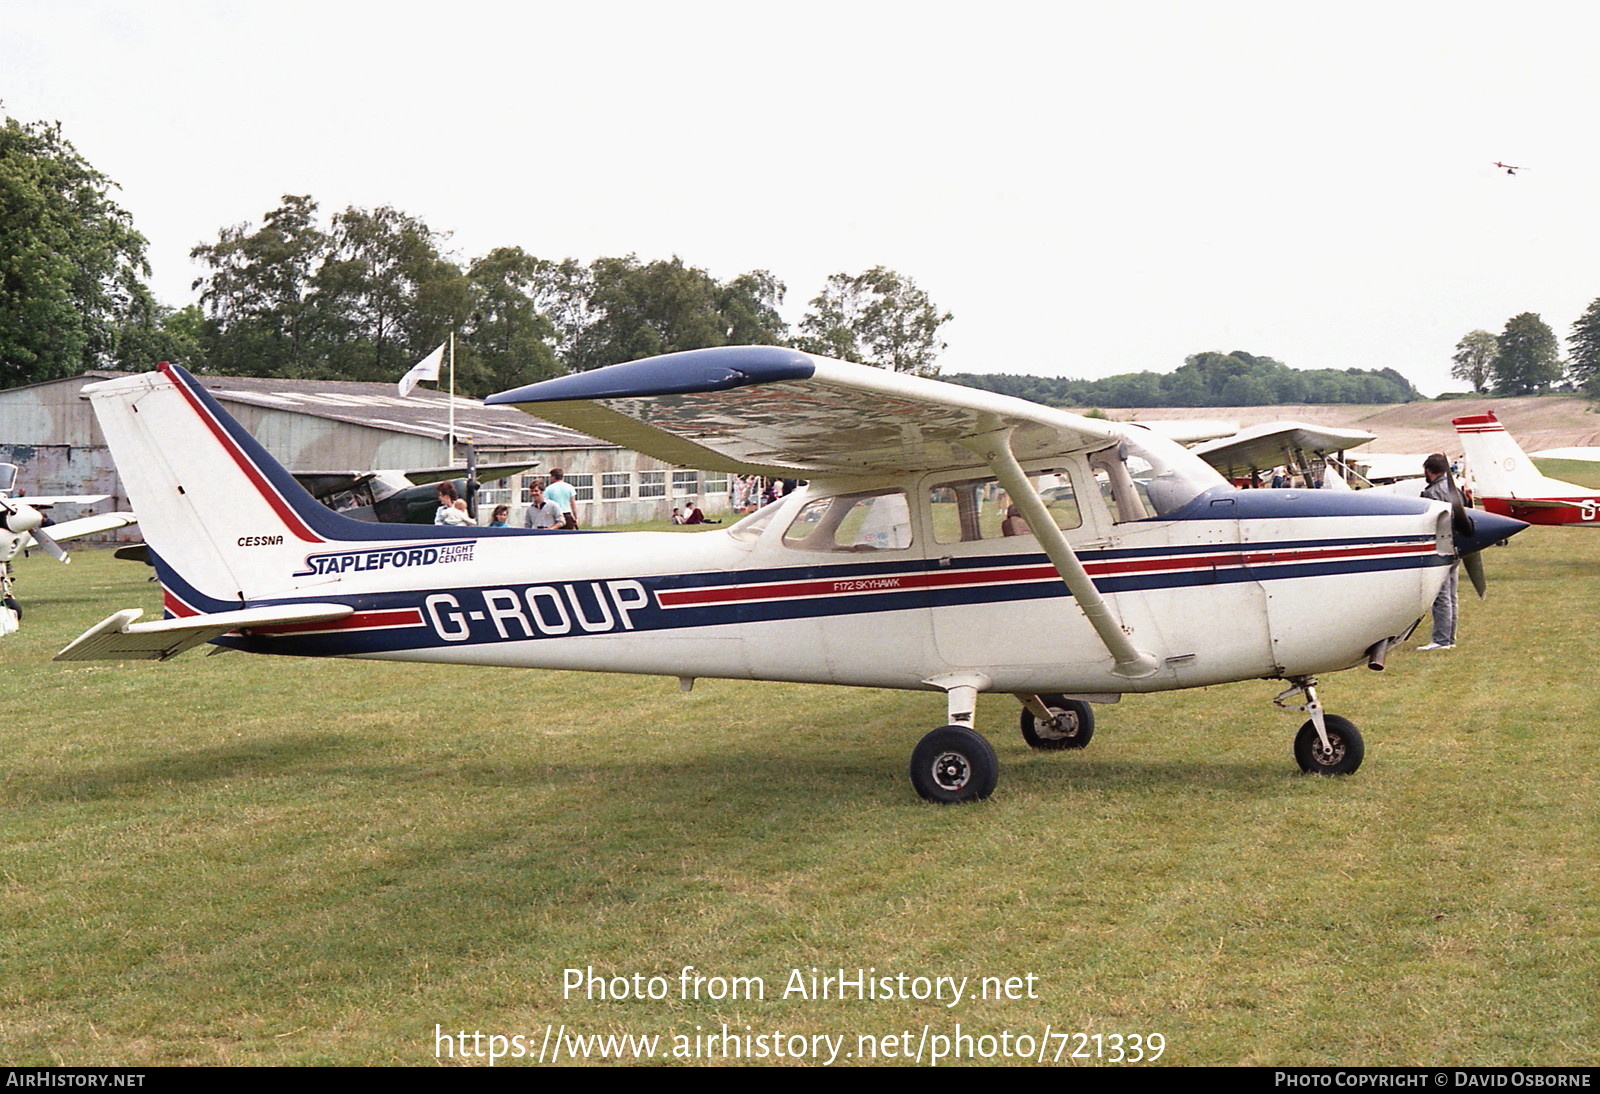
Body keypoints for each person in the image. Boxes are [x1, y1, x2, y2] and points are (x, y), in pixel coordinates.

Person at [1419, 453, 1462, 650]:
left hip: (1441, 546)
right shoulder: (1455, 490)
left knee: (1441, 594)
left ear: (1429, 471)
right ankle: (1449, 637)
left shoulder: (1432, 493)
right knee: (1452, 594)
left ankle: (1441, 639)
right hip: (1456, 546)